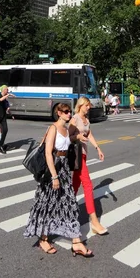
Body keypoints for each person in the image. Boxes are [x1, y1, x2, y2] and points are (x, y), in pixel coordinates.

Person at [24, 103, 93, 257]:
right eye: (67, 112)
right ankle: (43, 238)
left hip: (64, 169)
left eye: (70, 111)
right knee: (48, 204)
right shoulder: (53, 129)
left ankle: (76, 242)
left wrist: (78, 137)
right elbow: (48, 153)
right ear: (59, 113)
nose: (69, 114)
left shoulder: (67, 129)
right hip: (53, 170)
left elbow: (69, 140)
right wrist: (54, 176)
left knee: (69, 204)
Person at [69, 96, 108, 236]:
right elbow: (68, 137)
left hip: (83, 154)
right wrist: (77, 137)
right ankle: (94, 222)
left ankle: (65, 206)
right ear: (80, 105)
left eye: (89, 105)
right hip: (76, 155)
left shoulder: (86, 120)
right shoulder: (75, 119)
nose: (89, 107)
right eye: (87, 105)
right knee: (88, 184)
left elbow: (89, 133)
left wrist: (98, 148)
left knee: (75, 184)